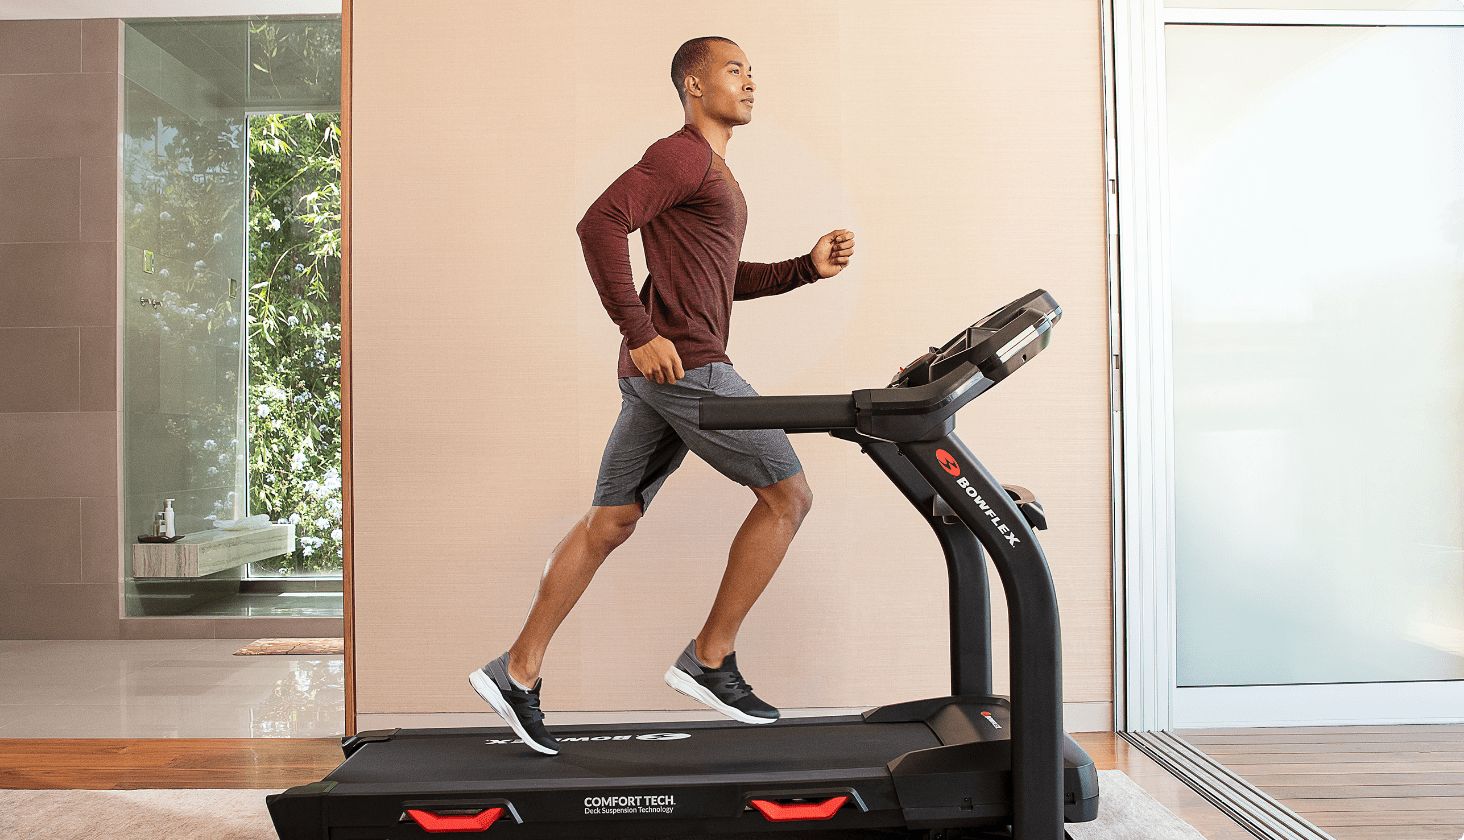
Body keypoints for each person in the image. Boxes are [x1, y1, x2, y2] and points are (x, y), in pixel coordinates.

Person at [469, 36, 855, 755]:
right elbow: (600, 224)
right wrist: (639, 328)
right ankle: (710, 658)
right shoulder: (681, 154)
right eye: (734, 70)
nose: (749, 82)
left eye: (752, 73)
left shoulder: (714, 172)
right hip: (688, 368)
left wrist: (806, 268)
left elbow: (720, 276)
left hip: (658, 378)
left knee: (609, 522)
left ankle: (515, 672)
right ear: (692, 84)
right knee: (788, 496)